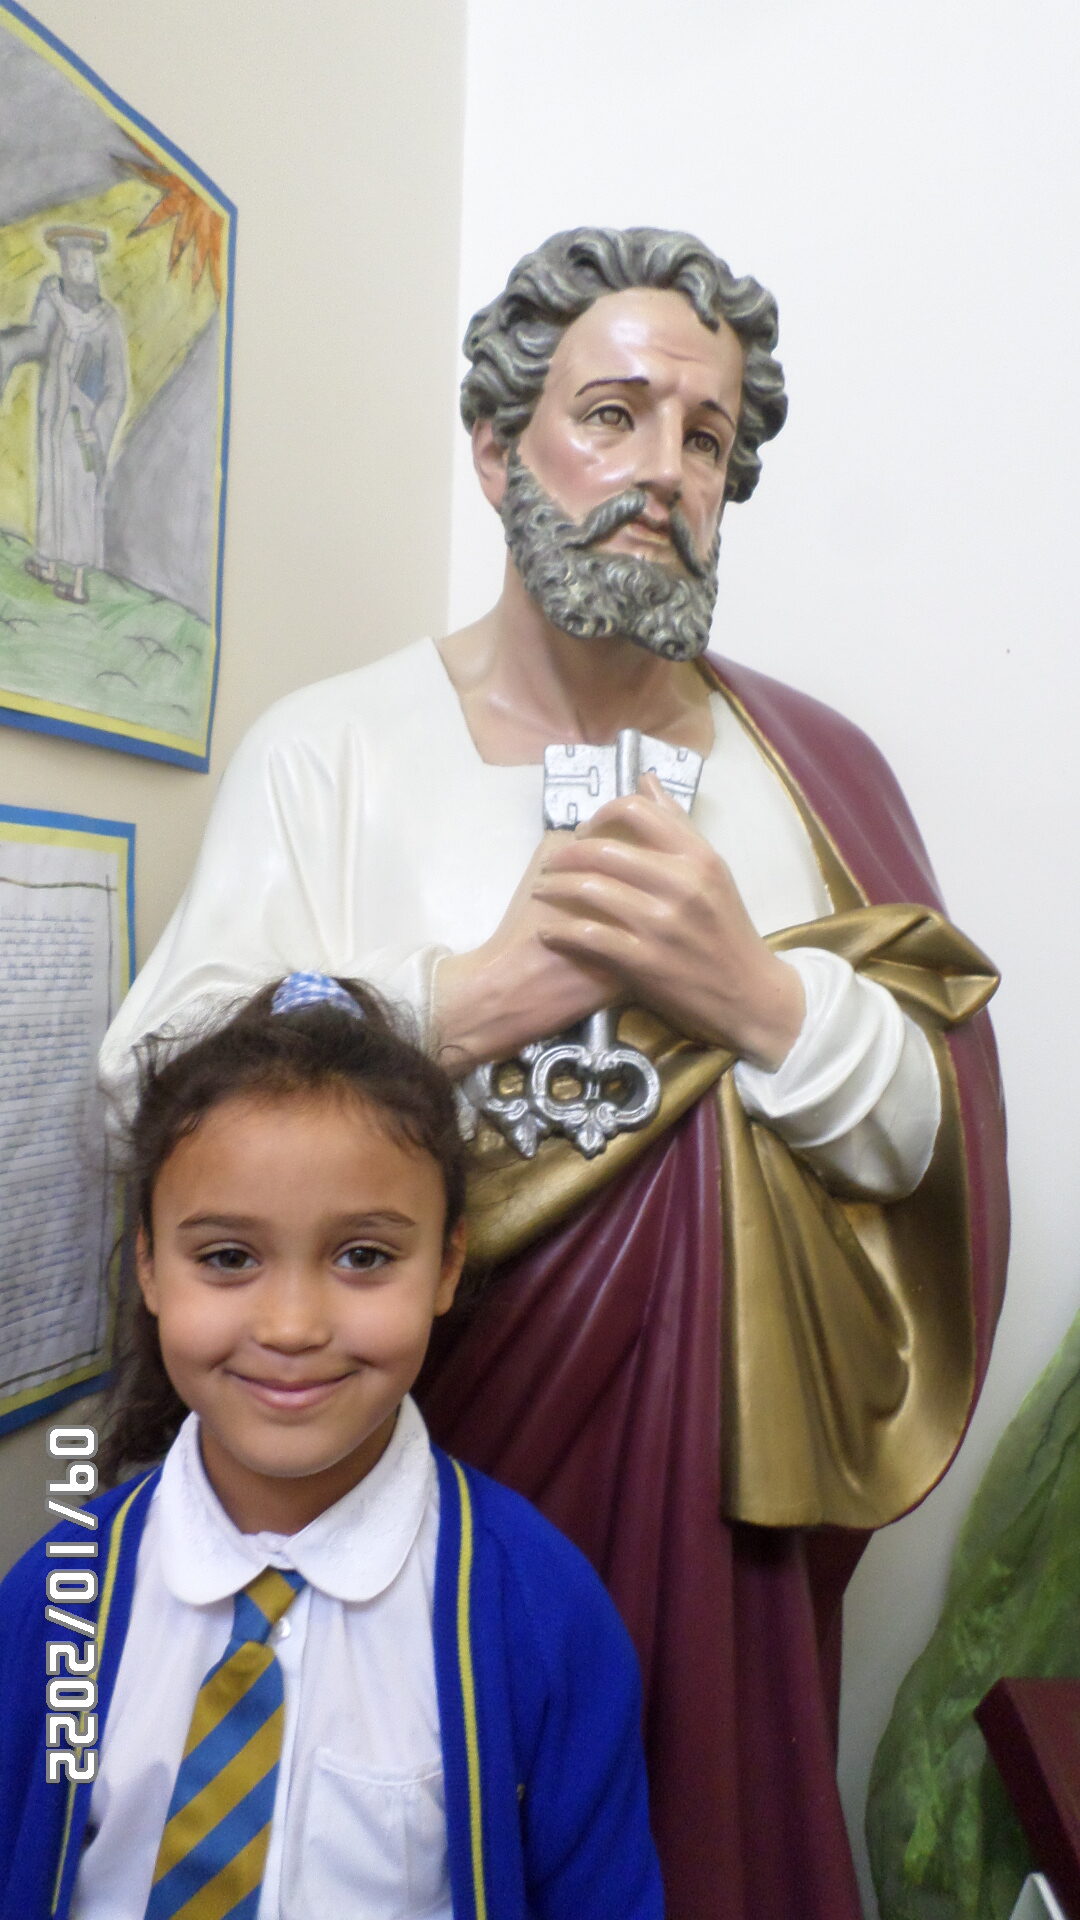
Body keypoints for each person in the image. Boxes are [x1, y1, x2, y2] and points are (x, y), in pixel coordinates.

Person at [98, 228, 1009, 1918]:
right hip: (397, 1443)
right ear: (497, 448)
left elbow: (929, 1157)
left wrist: (757, 998)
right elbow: (149, 1076)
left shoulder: (814, 779)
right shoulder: (336, 749)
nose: (663, 470)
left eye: (706, 436)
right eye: (612, 415)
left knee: (694, 1838)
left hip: (717, 1512)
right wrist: (456, 1002)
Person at [1, 972, 662, 1920]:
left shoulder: (543, 1619)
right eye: (228, 1257)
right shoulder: (59, 1600)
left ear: (447, 1264)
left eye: (364, 1256)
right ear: (148, 1264)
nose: (292, 1326)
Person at [0, 226, 127, 604]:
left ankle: (78, 583)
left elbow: (116, 385)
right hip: (52, 416)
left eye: (84, 262)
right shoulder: (52, 299)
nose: (78, 269)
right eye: (72, 262)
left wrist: (98, 428)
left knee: (79, 498)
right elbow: (37, 339)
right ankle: (48, 565)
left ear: (93, 266)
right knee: (52, 489)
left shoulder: (107, 321)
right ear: (64, 264)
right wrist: (8, 347)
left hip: (82, 425)